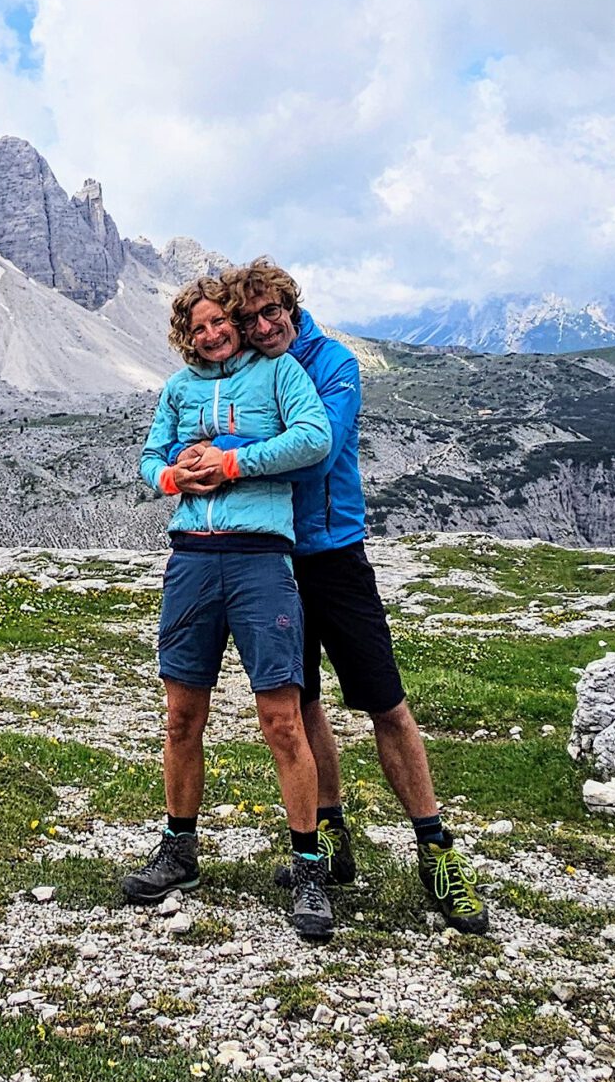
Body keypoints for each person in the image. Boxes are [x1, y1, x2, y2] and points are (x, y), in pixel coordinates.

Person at [215, 258, 490, 934]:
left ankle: (435, 852)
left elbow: (318, 447)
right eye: (247, 318)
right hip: (272, 556)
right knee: (301, 699)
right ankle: (332, 837)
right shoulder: (248, 367)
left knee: (386, 704)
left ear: (291, 306)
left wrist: (229, 453)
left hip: (336, 554)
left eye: (270, 310)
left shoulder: (333, 362)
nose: (260, 325)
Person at [122, 276, 341, 941]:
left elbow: (314, 440)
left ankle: (309, 869)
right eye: (198, 328)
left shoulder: (277, 373)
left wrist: (231, 464)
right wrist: (172, 477)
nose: (212, 334)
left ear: (236, 325)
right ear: (184, 336)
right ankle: (179, 852)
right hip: (191, 558)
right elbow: (149, 458)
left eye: (221, 322)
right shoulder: (179, 389)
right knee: (182, 716)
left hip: (258, 560)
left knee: (280, 717)